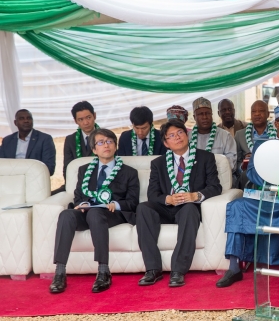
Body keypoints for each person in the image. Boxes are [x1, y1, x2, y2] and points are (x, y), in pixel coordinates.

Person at [216, 102, 279, 288]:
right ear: (276, 124)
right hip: (268, 195)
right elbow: (251, 172)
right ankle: (234, 267)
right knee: (236, 207)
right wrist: (271, 177)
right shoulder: (264, 143)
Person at [49, 129, 140, 294]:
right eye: (101, 142)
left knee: (96, 213)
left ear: (115, 146)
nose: (106, 145)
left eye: (109, 141)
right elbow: (78, 196)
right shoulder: (84, 170)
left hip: (112, 214)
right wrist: (82, 204)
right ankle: (60, 272)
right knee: (66, 215)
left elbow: (133, 202)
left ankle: (104, 271)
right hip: (87, 212)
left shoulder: (129, 172)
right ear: (94, 149)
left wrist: (115, 204)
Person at [135, 120, 222, 287]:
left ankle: (178, 271)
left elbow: (215, 187)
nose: (178, 137)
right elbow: (152, 194)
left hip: (189, 207)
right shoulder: (158, 164)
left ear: (187, 134)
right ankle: (152, 269)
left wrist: (196, 195)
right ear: (166, 143)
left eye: (180, 133)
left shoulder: (205, 158)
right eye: (172, 136)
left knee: (189, 209)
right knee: (143, 208)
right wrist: (167, 199)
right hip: (167, 208)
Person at [53, 101, 99, 194]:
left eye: (88, 117)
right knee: (49, 197)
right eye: (81, 119)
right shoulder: (70, 140)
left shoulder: (106, 137)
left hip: (99, 183)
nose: (86, 122)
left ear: (94, 116)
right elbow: (67, 168)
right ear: (75, 121)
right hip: (76, 183)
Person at [234, 100, 277, 188]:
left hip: (271, 174)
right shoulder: (240, 135)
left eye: (261, 111)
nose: (257, 114)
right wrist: (244, 164)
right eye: (254, 111)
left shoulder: (276, 133)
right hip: (248, 177)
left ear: (268, 114)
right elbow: (236, 162)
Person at [0, 109, 56, 176]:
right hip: (11, 179)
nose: (26, 121)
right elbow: (2, 164)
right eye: (22, 118)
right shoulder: (7, 141)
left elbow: (49, 168)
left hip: (35, 179)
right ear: (15, 122)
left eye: (29, 118)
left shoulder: (44, 139)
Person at [189, 97, 237, 171]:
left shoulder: (225, 136)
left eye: (207, 113)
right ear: (194, 117)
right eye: (201, 114)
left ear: (212, 114)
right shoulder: (187, 138)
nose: (205, 117)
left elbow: (231, 163)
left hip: (221, 178)